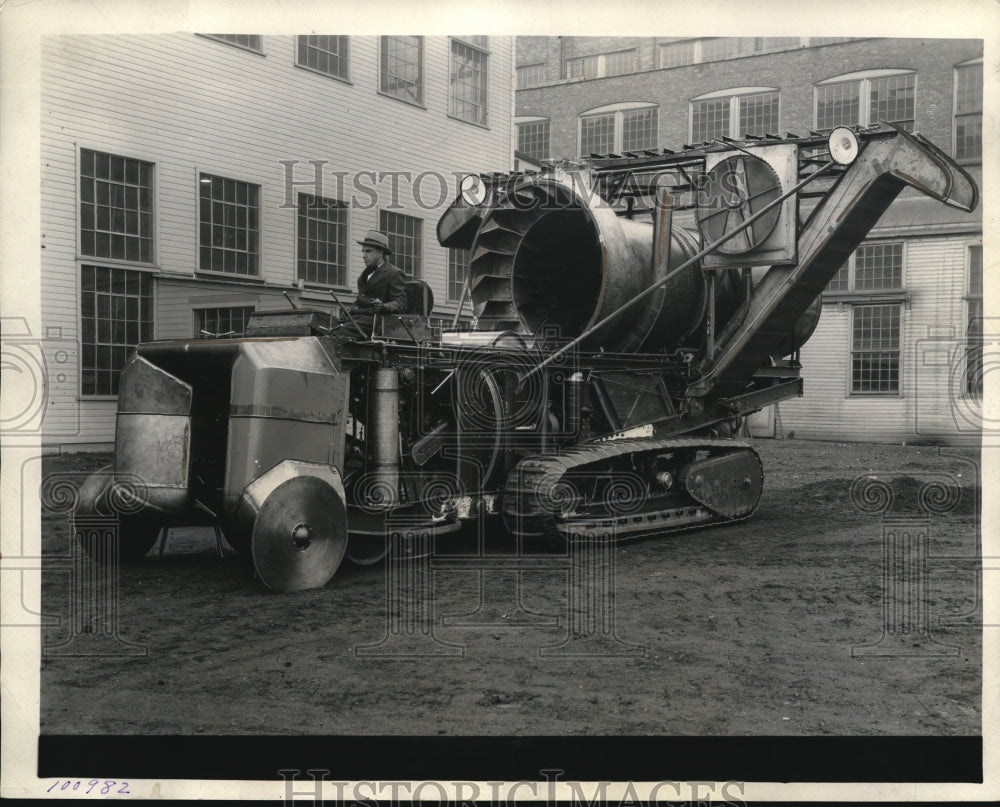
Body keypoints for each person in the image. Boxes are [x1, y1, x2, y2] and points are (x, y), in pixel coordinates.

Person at [346, 230, 408, 336]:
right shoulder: (363, 276)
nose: (364, 255)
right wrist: (350, 309)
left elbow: (401, 303)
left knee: (340, 332)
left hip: (377, 322)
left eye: (368, 251)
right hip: (359, 319)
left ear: (380, 253)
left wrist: (383, 306)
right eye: (363, 251)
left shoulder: (394, 273)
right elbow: (362, 300)